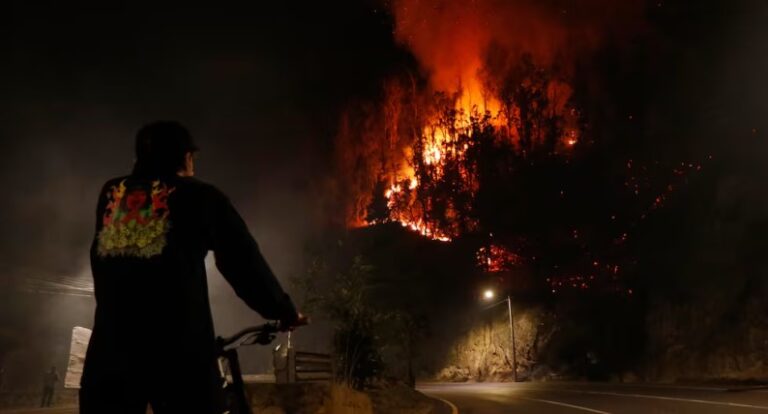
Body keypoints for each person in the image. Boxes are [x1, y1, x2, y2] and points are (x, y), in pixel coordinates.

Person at [80, 121, 306, 414]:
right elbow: (242, 261)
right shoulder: (201, 196)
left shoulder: (113, 192)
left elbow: (103, 258)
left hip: (111, 350)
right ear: (184, 157)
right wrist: (282, 310)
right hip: (178, 351)